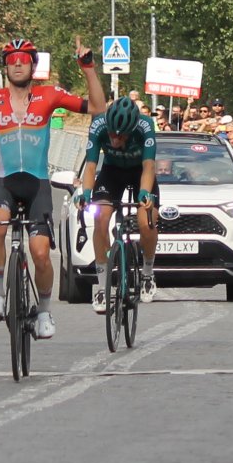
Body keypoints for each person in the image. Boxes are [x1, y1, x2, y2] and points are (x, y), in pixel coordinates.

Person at [0, 35, 107, 339]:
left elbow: (97, 107)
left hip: (37, 183)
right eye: (11, 60)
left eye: (23, 59)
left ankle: (43, 311)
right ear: (4, 66)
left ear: (33, 65)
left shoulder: (49, 96)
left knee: (40, 253)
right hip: (6, 181)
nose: (17, 64)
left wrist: (88, 68)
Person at [76, 95, 160, 312]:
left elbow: (149, 166)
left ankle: (148, 273)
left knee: (147, 222)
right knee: (100, 217)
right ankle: (102, 286)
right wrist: (85, 192)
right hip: (111, 172)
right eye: (111, 133)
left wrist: (144, 194)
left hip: (139, 171)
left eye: (120, 136)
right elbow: (92, 166)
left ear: (131, 130)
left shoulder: (145, 126)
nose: (114, 139)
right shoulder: (98, 125)